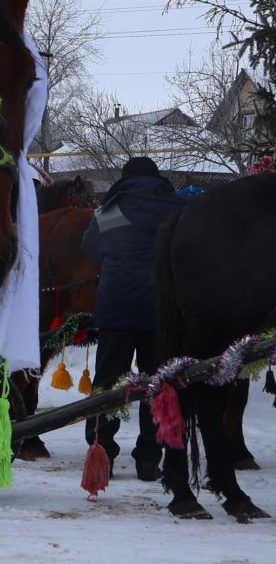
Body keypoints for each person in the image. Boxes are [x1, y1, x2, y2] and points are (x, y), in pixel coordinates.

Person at [81, 155, 185, 481]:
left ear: (124, 180)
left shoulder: (111, 210)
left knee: (108, 383)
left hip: (116, 309)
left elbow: (91, 248)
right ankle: (148, 459)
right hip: (161, 312)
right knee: (156, 384)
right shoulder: (177, 208)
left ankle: (103, 454)